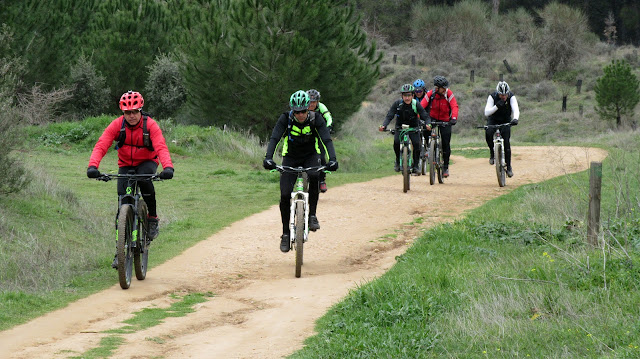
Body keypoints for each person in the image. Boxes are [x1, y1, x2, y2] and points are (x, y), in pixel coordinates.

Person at [86, 90, 174, 268]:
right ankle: (120, 251)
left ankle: (152, 219)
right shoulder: (117, 126)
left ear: (141, 110)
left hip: (147, 162)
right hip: (126, 164)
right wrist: (93, 166)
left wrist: (168, 167)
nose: (132, 116)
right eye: (128, 112)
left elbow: (161, 147)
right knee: (122, 205)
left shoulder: (150, 126)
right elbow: (102, 145)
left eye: (135, 111)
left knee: (144, 180)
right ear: (123, 112)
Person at [263, 90, 339, 253]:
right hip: (290, 157)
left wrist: (332, 159)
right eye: (297, 112)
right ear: (292, 110)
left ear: (308, 109)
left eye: (303, 111)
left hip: (311, 155)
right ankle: (285, 233)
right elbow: (275, 138)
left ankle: (312, 215)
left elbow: (326, 139)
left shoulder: (316, 119)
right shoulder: (285, 119)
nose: (300, 115)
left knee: (314, 175)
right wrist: (268, 158)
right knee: (284, 195)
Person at [379, 84, 431, 173]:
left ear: (412, 96)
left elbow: (425, 116)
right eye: (405, 95)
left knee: (416, 144)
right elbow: (389, 115)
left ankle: (416, 165)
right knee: (396, 142)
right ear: (401, 96)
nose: (407, 98)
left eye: (409, 95)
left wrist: (428, 124)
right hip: (400, 127)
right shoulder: (397, 104)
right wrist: (384, 125)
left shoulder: (416, 104)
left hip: (413, 127)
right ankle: (398, 161)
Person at [420, 75, 459, 178]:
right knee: (426, 129)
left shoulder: (448, 93)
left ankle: (445, 166)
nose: (445, 89)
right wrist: (418, 117)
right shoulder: (430, 94)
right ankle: (429, 147)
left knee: (446, 143)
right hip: (432, 118)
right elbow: (421, 106)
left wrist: (454, 118)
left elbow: (454, 106)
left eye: (446, 87)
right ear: (437, 88)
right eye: (443, 88)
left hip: (445, 120)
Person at [484, 81, 519, 177]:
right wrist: (496, 106)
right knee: (488, 133)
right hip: (493, 119)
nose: (503, 97)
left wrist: (515, 119)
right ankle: (492, 151)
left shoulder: (511, 97)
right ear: (497, 93)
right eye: (501, 95)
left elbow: (516, 109)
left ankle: (509, 167)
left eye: (505, 94)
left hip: (505, 120)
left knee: (507, 142)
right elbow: (486, 113)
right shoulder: (492, 97)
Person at [307, 89, 333, 193]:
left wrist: (328, 127)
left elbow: (328, 117)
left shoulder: (321, 107)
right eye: (310, 102)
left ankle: (322, 180)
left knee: (321, 157)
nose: (311, 104)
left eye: (314, 102)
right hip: (306, 135)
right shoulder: (302, 108)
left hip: (319, 134)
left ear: (317, 102)